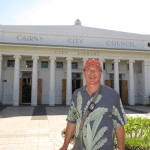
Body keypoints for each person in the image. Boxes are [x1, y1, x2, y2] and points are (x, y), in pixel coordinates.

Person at [59, 59, 128, 150]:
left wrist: (121, 149)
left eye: (96, 70)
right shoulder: (77, 94)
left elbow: (119, 125)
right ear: (84, 73)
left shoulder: (112, 95)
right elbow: (71, 121)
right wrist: (65, 146)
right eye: (88, 70)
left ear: (101, 73)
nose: (92, 73)